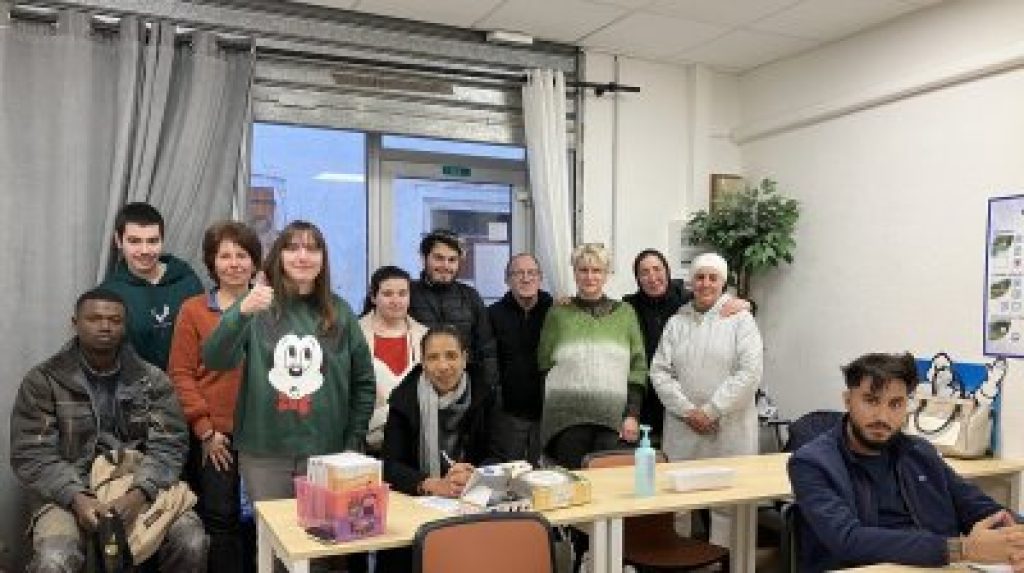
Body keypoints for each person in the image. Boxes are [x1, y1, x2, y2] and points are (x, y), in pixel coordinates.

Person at [10, 288, 208, 572]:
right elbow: (32, 453)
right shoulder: (44, 381)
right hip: (67, 491)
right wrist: (77, 498)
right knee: (55, 558)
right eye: (94, 319)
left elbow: (170, 445)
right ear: (75, 323)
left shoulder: (152, 380)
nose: (105, 326)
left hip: (138, 484)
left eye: (115, 320)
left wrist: (139, 494)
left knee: (191, 541)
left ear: (124, 326)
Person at [788, 352, 1024, 573]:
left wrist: (1016, 538)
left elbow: (977, 507)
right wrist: (961, 549)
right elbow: (848, 540)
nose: (883, 416)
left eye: (895, 404)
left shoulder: (919, 452)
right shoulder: (812, 463)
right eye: (871, 401)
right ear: (848, 401)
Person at [201, 220, 376, 507]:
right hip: (264, 452)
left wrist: (352, 441)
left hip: (327, 452)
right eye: (293, 248)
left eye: (312, 249)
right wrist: (241, 311)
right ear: (279, 256)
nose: (303, 256)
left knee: (323, 532)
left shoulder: (340, 312)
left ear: (323, 259)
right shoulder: (256, 304)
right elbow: (215, 359)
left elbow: (364, 382)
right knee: (273, 533)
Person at [650, 252, 762, 545]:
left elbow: (749, 373)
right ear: (691, 282)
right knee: (677, 503)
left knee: (729, 506)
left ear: (723, 282)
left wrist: (711, 411)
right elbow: (659, 372)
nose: (706, 283)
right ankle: (676, 561)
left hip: (729, 429)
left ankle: (726, 562)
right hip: (683, 427)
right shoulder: (676, 323)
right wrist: (689, 411)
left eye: (713, 277)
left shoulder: (741, 320)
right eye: (700, 277)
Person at [168, 221, 262, 573]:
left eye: (242, 255)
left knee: (269, 517)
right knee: (221, 519)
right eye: (225, 256)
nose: (234, 263)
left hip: (266, 436)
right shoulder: (193, 310)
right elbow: (180, 374)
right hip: (216, 436)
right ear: (212, 263)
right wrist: (205, 430)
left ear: (255, 262)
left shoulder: (271, 308)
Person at [378, 325, 505, 573]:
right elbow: (389, 466)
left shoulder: (486, 395)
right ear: (422, 363)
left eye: (451, 355)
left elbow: (500, 454)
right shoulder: (404, 399)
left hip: (473, 503)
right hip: (416, 507)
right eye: (433, 357)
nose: (443, 366)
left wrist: (473, 476)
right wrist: (431, 484)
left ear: (464, 358)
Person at [538, 243, 647, 470]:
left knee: (609, 485)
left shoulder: (625, 314)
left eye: (596, 270)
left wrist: (632, 415)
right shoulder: (558, 313)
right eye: (583, 270)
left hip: (613, 419)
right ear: (574, 273)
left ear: (606, 274)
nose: (590, 277)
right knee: (571, 485)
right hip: (566, 420)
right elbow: (544, 363)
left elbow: (638, 368)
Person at [623, 249, 749, 442]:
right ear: (637, 278)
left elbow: (717, 301)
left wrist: (747, 304)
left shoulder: (687, 299)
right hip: (647, 401)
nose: (652, 277)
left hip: (687, 404)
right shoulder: (628, 307)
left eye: (657, 269)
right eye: (644, 272)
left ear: (667, 270)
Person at [100, 202, 203, 370]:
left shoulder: (188, 282)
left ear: (162, 240)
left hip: (189, 382)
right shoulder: (108, 295)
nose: (145, 250)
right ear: (118, 241)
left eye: (153, 241)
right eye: (134, 241)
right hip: (136, 384)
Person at [408, 229, 499, 389]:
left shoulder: (470, 296)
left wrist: (486, 390)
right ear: (424, 258)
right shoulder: (406, 294)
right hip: (418, 390)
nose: (446, 265)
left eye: (452, 260)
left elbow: (487, 350)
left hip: (464, 391)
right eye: (439, 258)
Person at [488, 253, 553, 466]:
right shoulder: (492, 314)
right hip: (509, 412)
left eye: (531, 273)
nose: (526, 278)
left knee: (544, 473)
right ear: (507, 279)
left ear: (540, 277)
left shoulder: (556, 312)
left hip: (548, 410)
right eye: (518, 273)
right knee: (510, 470)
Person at [358, 265, 427, 453]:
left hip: (414, 440)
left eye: (402, 293)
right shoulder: (354, 334)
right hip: (366, 440)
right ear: (373, 297)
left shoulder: (425, 336)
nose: (396, 301)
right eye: (388, 294)